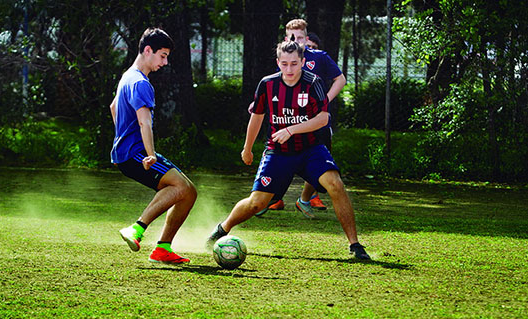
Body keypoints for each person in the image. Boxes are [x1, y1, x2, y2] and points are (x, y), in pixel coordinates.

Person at [207, 40, 370, 260]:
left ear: (303, 62)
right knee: (257, 203)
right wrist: (247, 149)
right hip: (278, 152)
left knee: (335, 184)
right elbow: (256, 118)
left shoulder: (314, 82)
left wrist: (291, 130)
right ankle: (222, 229)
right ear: (278, 63)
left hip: (311, 149)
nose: (289, 69)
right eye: (284, 64)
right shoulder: (267, 84)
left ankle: (355, 245)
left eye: (294, 63)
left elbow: (323, 119)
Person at [111, 28, 197, 264]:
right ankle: (137, 230)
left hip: (126, 153)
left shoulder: (128, 76)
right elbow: (144, 121)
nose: (165, 62)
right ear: (147, 50)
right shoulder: (140, 83)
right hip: (136, 154)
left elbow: (113, 107)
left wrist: (122, 136)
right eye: (162, 55)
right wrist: (149, 154)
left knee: (188, 191)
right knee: (181, 188)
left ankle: (163, 248)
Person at [257, 19, 346, 218]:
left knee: (318, 163)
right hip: (286, 124)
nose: (295, 41)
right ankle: (269, 198)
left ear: (306, 39)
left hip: (314, 124)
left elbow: (341, 80)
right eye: (291, 37)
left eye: (299, 37)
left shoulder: (319, 58)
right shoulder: (286, 61)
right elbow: (272, 89)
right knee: (280, 162)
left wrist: (325, 100)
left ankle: (305, 198)